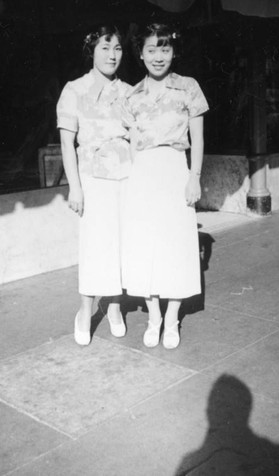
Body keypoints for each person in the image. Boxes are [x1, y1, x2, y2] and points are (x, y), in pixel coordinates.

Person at [122, 23, 209, 349]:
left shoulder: (188, 88)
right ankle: (154, 315)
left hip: (175, 169)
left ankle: (172, 317)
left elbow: (198, 139)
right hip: (143, 172)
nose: (159, 57)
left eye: (165, 49)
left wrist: (194, 177)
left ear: (174, 51)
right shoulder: (132, 95)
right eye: (152, 50)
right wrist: (133, 179)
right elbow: (131, 144)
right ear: (141, 54)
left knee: (175, 244)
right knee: (145, 245)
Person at [56, 25, 131, 346]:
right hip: (91, 176)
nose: (112, 55)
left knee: (121, 246)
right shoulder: (74, 90)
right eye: (105, 47)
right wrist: (75, 186)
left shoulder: (130, 91)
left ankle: (114, 307)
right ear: (92, 50)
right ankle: (85, 311)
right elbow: (66, 143)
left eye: (117, 48)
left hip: (126, 178)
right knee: (93, 245)